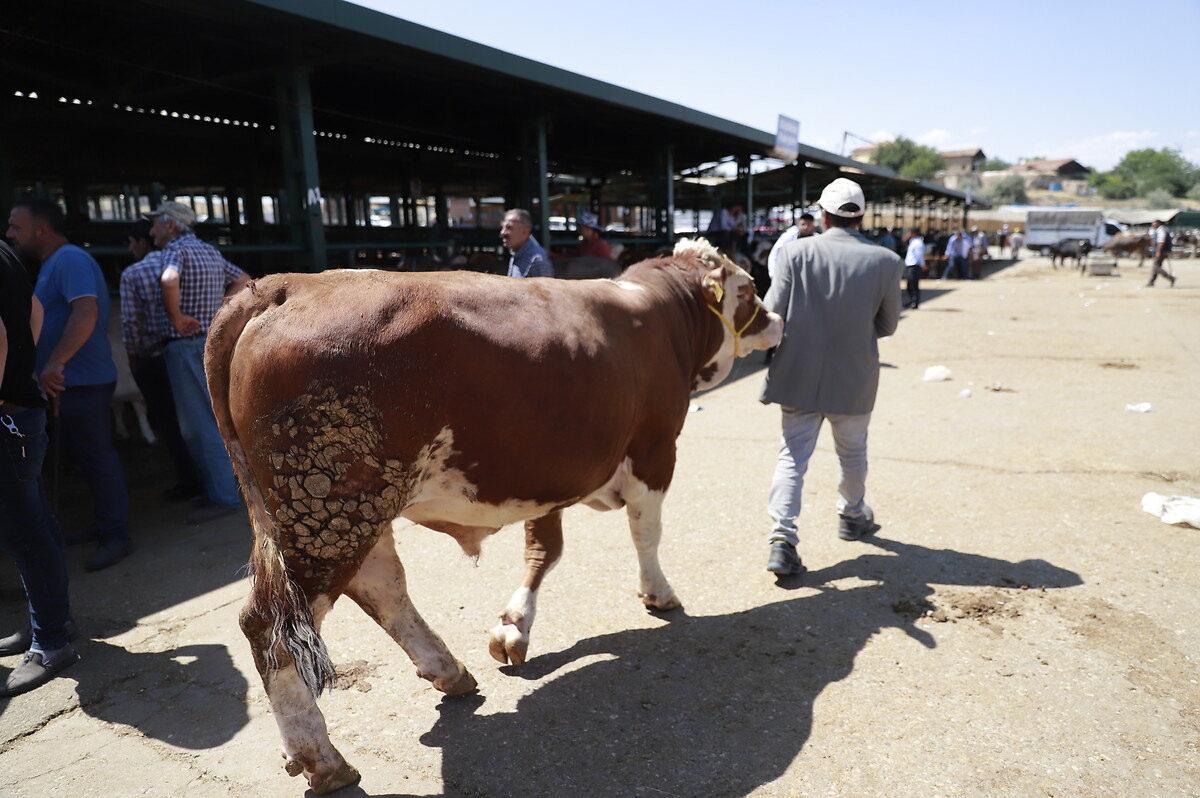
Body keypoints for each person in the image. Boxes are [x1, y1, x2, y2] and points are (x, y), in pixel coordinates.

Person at [759, 177, 902, 576]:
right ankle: (853, 515)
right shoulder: (887, 262)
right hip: (854, 377)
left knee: (792, 457)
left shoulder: (794, 255)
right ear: (861, 217)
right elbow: (888, 325)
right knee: (852, 453)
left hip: (798, 374)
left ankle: (782, 540)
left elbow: (773, 315)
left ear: (823, 214)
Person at [6, 198, 132, 572]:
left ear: (40, 229)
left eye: (16, 226)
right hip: (69, 381)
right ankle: (104, 525)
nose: (10, 234)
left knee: (97, 457)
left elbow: (86, 311)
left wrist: (57, 361)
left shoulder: (70, 259)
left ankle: (116, 535)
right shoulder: (52, 264)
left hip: (82, 379)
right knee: (87, 457)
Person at [0, 239, 80, 696]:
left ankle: (51, 641)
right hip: (20, 409)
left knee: (24, 532)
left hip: (8, 414)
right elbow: (33, 311)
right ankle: (50, 623)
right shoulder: (7, 253)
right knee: (35, 522)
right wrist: (20, 370)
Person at [152, 201, 249, 523]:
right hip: (210, 339)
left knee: (198, 424)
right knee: (218, 415)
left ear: (170, 225)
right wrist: (220, 310)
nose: (152, 230)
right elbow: (244, 279)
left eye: (155, 224)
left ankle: (223, 495)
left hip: (185, 344)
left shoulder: (175, 250)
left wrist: (177, 317)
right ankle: (234, 486)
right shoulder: (208, 251)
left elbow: (168, 279)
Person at [119, 219, 202, 501]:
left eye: (131, 242)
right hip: (189, 346)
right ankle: (219, 480)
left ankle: (190, 481)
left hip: (154, 356)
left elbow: (131, 323)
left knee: (169, 422)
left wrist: (133, 356)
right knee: (200, 415)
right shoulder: (190, 262)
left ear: (142, 242)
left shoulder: (133, 274)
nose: (131, 248)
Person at [500, 209, 553, 278]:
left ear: (525, 232)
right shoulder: (516, 253)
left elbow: (545, 288)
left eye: (509, 227)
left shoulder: (537, 261)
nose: (502, 232)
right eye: (502, 227)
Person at [1146, 220, 1176, 287]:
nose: (1152, 224)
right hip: (1161, 251)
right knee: (1155, 267)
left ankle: (1171, 278)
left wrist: (1158, 252)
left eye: (1154, 223)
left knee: (1156, 267)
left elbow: (1161, 242)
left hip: (1161, 251)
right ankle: (1151, 282)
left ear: (1158, 223)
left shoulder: (1161, 230)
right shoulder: (1159, 230)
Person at [903, 228, 926, 309]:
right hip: (910, 265)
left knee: (914, 285)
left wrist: (923, 265)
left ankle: (915, 302)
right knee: (909, 285)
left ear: (914, 233)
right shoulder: (912, 241)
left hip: (914, 265)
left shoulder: (918, 242)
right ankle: (911, 301)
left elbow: (919, 255)